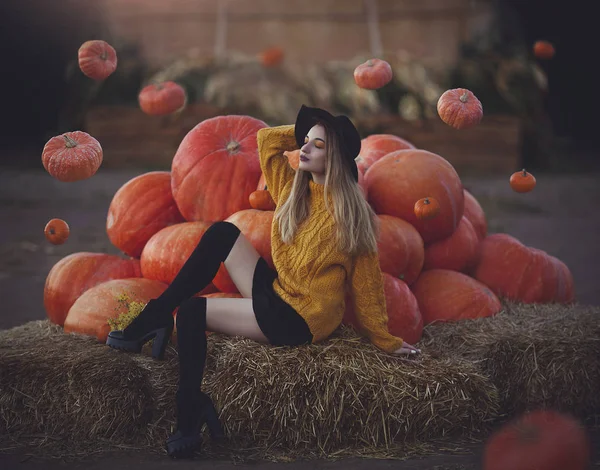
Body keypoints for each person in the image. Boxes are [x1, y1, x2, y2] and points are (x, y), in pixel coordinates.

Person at [105, 104, 421, 459]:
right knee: (223, 233)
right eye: (306, 141)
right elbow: (266, 140)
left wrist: (385, 339)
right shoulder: (292, 190)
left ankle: (189, 409)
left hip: (300, 319)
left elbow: (367, 286)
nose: (304, 148)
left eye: (318, 146)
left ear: (336, 158)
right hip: (279, 292)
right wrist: (310, 130)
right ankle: (159, 313)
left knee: (193, 311)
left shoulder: (351, 216)